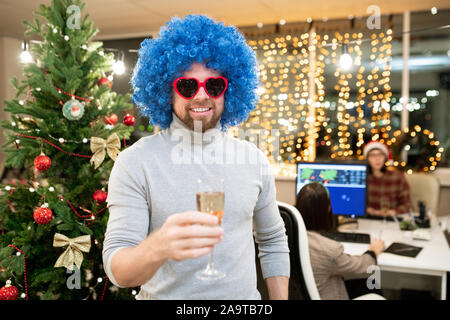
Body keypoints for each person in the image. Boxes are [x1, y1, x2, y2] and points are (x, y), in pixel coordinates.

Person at [102, 15, 290, 300]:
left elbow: (273, 241)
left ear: (229, 90)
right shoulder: (135, 163)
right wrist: (158, 247)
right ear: (167, 91)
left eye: (213, 85)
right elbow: (119, 270)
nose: (202, 96)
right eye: (187, 86)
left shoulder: (253, 159)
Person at [295, 182, 385, 300]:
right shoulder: (329, 249)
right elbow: (359, 267)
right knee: (372, 284)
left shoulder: (285, 238)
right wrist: (373, 252)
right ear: (328, 209)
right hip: (325, 295)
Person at [364, 141, 412, 217]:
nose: (377, 158)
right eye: (372, 155)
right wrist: (366, 209)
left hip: (392, 219)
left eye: (380, 154)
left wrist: (392, 212)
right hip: (368, 219)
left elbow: (407, 205)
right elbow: (354, 201)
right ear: (367, 158)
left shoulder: (397, 176)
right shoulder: (363, 178)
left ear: (385, 157)